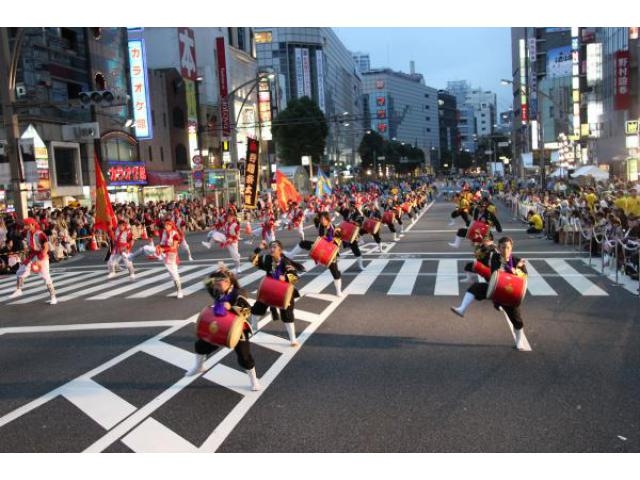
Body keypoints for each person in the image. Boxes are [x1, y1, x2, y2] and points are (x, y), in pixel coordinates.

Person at [185, 265, 261, 391]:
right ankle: (199, 366)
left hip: (237, 329)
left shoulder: (239, 293)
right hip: (219, 325)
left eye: (218, 283)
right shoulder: (217, 290)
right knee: (201, 345)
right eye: (215, 284)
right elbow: (205, 283)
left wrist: (231, 307)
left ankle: (254, 380)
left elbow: (248, 311)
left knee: (244, 356)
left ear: (227, 282)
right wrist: (215, 273)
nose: (215, 286)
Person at [450, 236, 531, 351]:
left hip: (510, 294)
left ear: (511, 248)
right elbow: (495, 273)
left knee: (517, 320)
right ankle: (462, 309)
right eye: (503, 247)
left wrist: (517, 268)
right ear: (499, 248)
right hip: (496, 289)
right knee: (476, 287)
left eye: (508, 247)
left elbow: (524, 277)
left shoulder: (518, 261)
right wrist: (511, 268)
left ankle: (519, 341)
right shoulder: (496, 258)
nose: (505, 250)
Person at [249, 240, 306, 346]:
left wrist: (285, 277)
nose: (271, 249)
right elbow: (252, 260)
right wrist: (259, 248)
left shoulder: (285, 262)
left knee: (287, 315)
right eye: (270, 247)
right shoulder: (267, 259)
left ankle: (293, 339)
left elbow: (295, 277)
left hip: (284, 292)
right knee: (256, 310)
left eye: (274, 247)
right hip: (269, 289)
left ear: (280, 250)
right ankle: (253, 330)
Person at [286, 211, 344, 296]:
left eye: (324, 219)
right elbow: (315, 219)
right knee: (303, 243)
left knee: (335, 272)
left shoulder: (334, 228)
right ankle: (290, 255)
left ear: (328, 220)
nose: (322, 220)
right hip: (319, 247)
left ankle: (338, 291)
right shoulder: (320, 225)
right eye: (321, 219)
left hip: (330, 252)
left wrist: (330, 240)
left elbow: (338, 242)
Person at [9, 218, 57, 304]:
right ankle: (19, 290)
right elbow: (18, 234)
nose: (25, 226)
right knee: (20, 271)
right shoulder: (27, 232)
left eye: (27, 225)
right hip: (32, 255)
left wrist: (40, 259)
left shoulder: (40, 234)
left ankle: (53, 297)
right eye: (25, 225)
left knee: (46, 277)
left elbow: (46, 247)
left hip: (42, 255)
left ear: (32, 224)